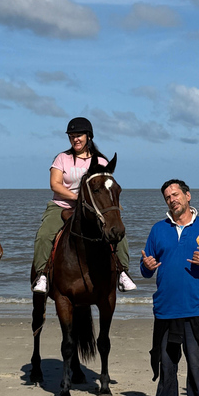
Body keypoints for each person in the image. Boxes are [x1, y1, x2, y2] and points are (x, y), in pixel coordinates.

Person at [140, 179, 199, 396]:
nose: (172, 199)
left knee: (197, 365)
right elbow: (147, 268)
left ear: (188, 196)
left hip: (196, 308)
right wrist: (146, 267)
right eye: (167, 197)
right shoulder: (158, 229)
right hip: (166, 309)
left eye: (176, 194)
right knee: (167, 365)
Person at [32, 117, 136, 293]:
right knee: (43, 235)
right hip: (62, 205)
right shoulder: (62, 158)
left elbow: (107, 189)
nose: (75, 139)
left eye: (79, 135)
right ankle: (42, 274)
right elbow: (55, 184)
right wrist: (76, 197)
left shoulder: (101, 162)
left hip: (93, 209)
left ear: (89, 136)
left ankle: (123, 272)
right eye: (72, 136)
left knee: (118, 232)